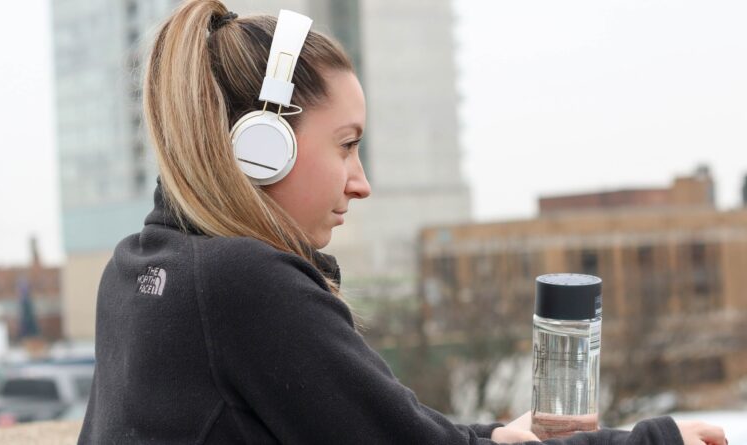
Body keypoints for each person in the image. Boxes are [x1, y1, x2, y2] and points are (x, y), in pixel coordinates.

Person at [78, 1, 728, 444]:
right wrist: (654, 436)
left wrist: (494, 434)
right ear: (261, 146)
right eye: (346, 143)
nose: (361, 182)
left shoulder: (137, 268)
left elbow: (381, 427)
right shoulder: (238, 284)